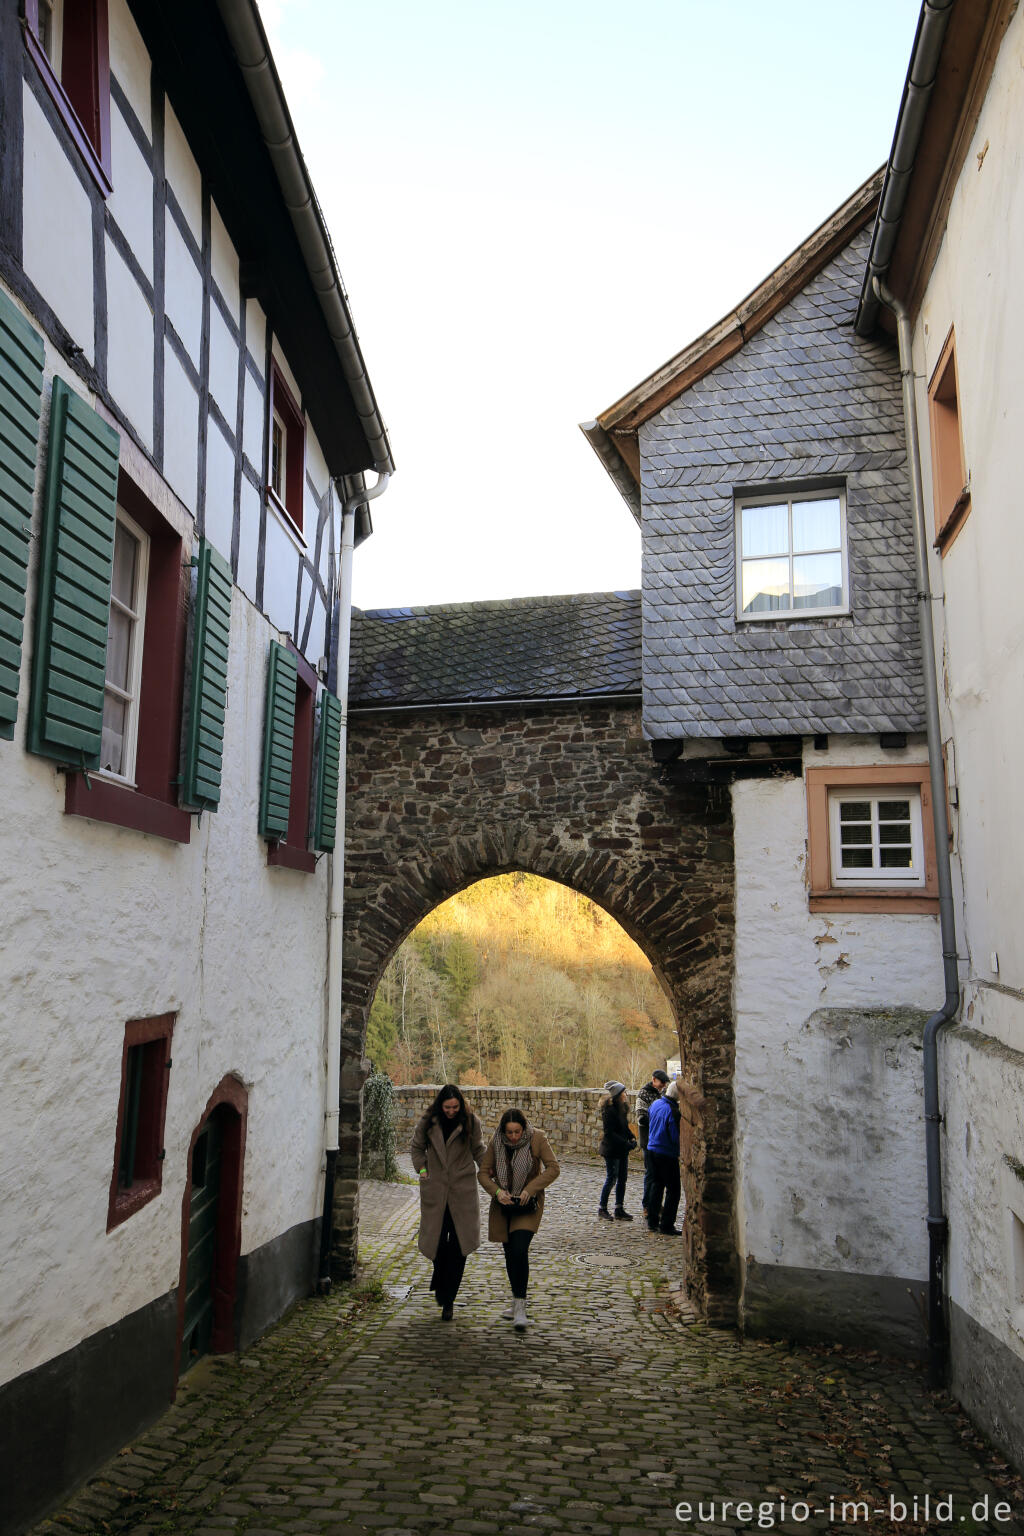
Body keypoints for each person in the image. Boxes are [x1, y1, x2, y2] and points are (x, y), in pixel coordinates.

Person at [478, 1107, 560, 1331]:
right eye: (509, 1133)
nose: (513, 1136)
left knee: (519, 1249)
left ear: (523, 1128)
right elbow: (483, 1173)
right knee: (509, 1253)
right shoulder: (497, 1141)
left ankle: (521, 1305)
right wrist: (497, 1192)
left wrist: (531, 1189)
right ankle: (515, 1301)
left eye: (517, 1132)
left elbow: (553, 1168)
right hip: (504, 1206)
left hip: (527, 1205)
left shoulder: (537, 1138)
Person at [410, 1084, 484, 1319]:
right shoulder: (429, 1122)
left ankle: (448, 1298)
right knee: (438, 1243)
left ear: (461, 1105)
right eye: (447, 1107)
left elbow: (479, 1150)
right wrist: (422, 1171)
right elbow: (416, 1147)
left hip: (462, 1192)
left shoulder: (471, 1122)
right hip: (436, 1190)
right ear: (440, 1106)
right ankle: (442, 1281)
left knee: (459, 1245)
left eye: (455, 1107)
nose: (452, 1111)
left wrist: (490, 1174)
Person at [646, 1080, 683, 1235]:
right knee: (674, 1189)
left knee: (656, 1185)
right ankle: (667, 1224)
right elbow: (675, 1135)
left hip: (651, 1149)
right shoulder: (673, 1110)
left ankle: (652, 1221)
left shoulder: (655, 1104)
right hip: (666, 1153)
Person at [597, 1080, 637, 1220]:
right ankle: (602, 1208)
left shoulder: (622, 1108)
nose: (626, 1094)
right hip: (612, 1149)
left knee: (622, 1179)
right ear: (618, 1094)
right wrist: (625, 1144)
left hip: (621, 1149)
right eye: (624, 1092)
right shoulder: (609, 1110)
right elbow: (610, 1133)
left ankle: (619, 1208)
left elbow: (624, 1127)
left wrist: (631, 1137)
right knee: (611, 1178)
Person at [635, 1069, 669, 1215]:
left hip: (660, 1139)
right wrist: (659, 1118)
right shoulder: (643, 1094)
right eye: (661, 1084)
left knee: (660, 1175)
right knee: (650, 1173)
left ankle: (656, 1203)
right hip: (648, 1140)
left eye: (664, 1085)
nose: (662, 1087)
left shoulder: (663, 1093)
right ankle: (647, 1205)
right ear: (654, 1080)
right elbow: (641, 1119)